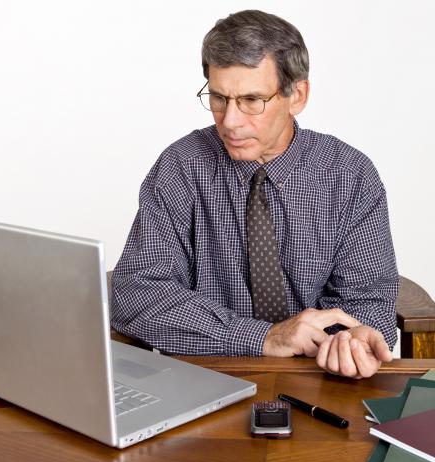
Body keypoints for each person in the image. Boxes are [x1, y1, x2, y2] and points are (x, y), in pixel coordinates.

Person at [111, 10, 398, 379]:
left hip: (320, 381)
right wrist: (264, 337)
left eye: (251, 100)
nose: (230, 121)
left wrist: (349, 341)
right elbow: (136, 293)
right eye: (218, 98)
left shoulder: (349, 175)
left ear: (297, 96)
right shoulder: (181, 166)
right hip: (205, 379)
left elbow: (369, 305)